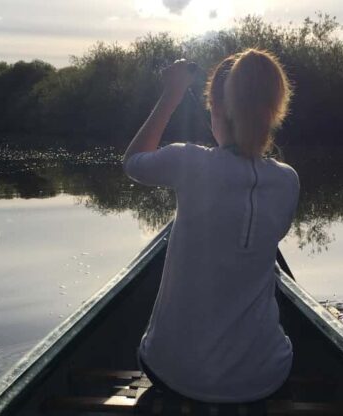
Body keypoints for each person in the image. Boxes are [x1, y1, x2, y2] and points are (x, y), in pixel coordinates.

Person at [122, 49, 300, 403]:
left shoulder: (187, 160)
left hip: (174, 373)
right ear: (274, 112)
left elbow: (133, 162)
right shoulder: (288, 181)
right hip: (265, 377)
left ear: (216, 110)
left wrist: (170, 95)